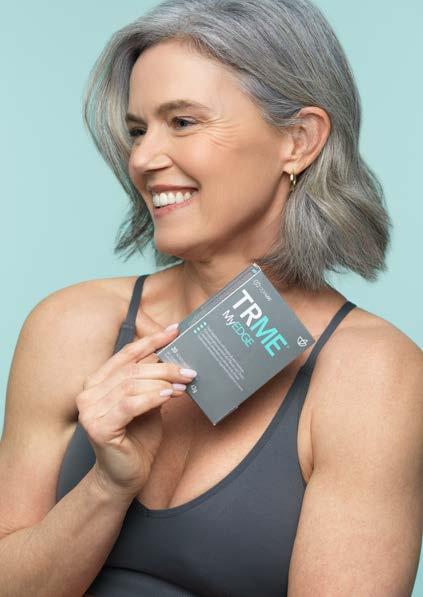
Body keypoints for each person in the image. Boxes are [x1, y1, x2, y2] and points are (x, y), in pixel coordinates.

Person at [1, 0, 422, 595]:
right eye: (138, 130)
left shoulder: (372, 374)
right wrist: (106, 487)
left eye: (183, 122)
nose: (143, 159)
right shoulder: (70, 325)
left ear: (299, 140)